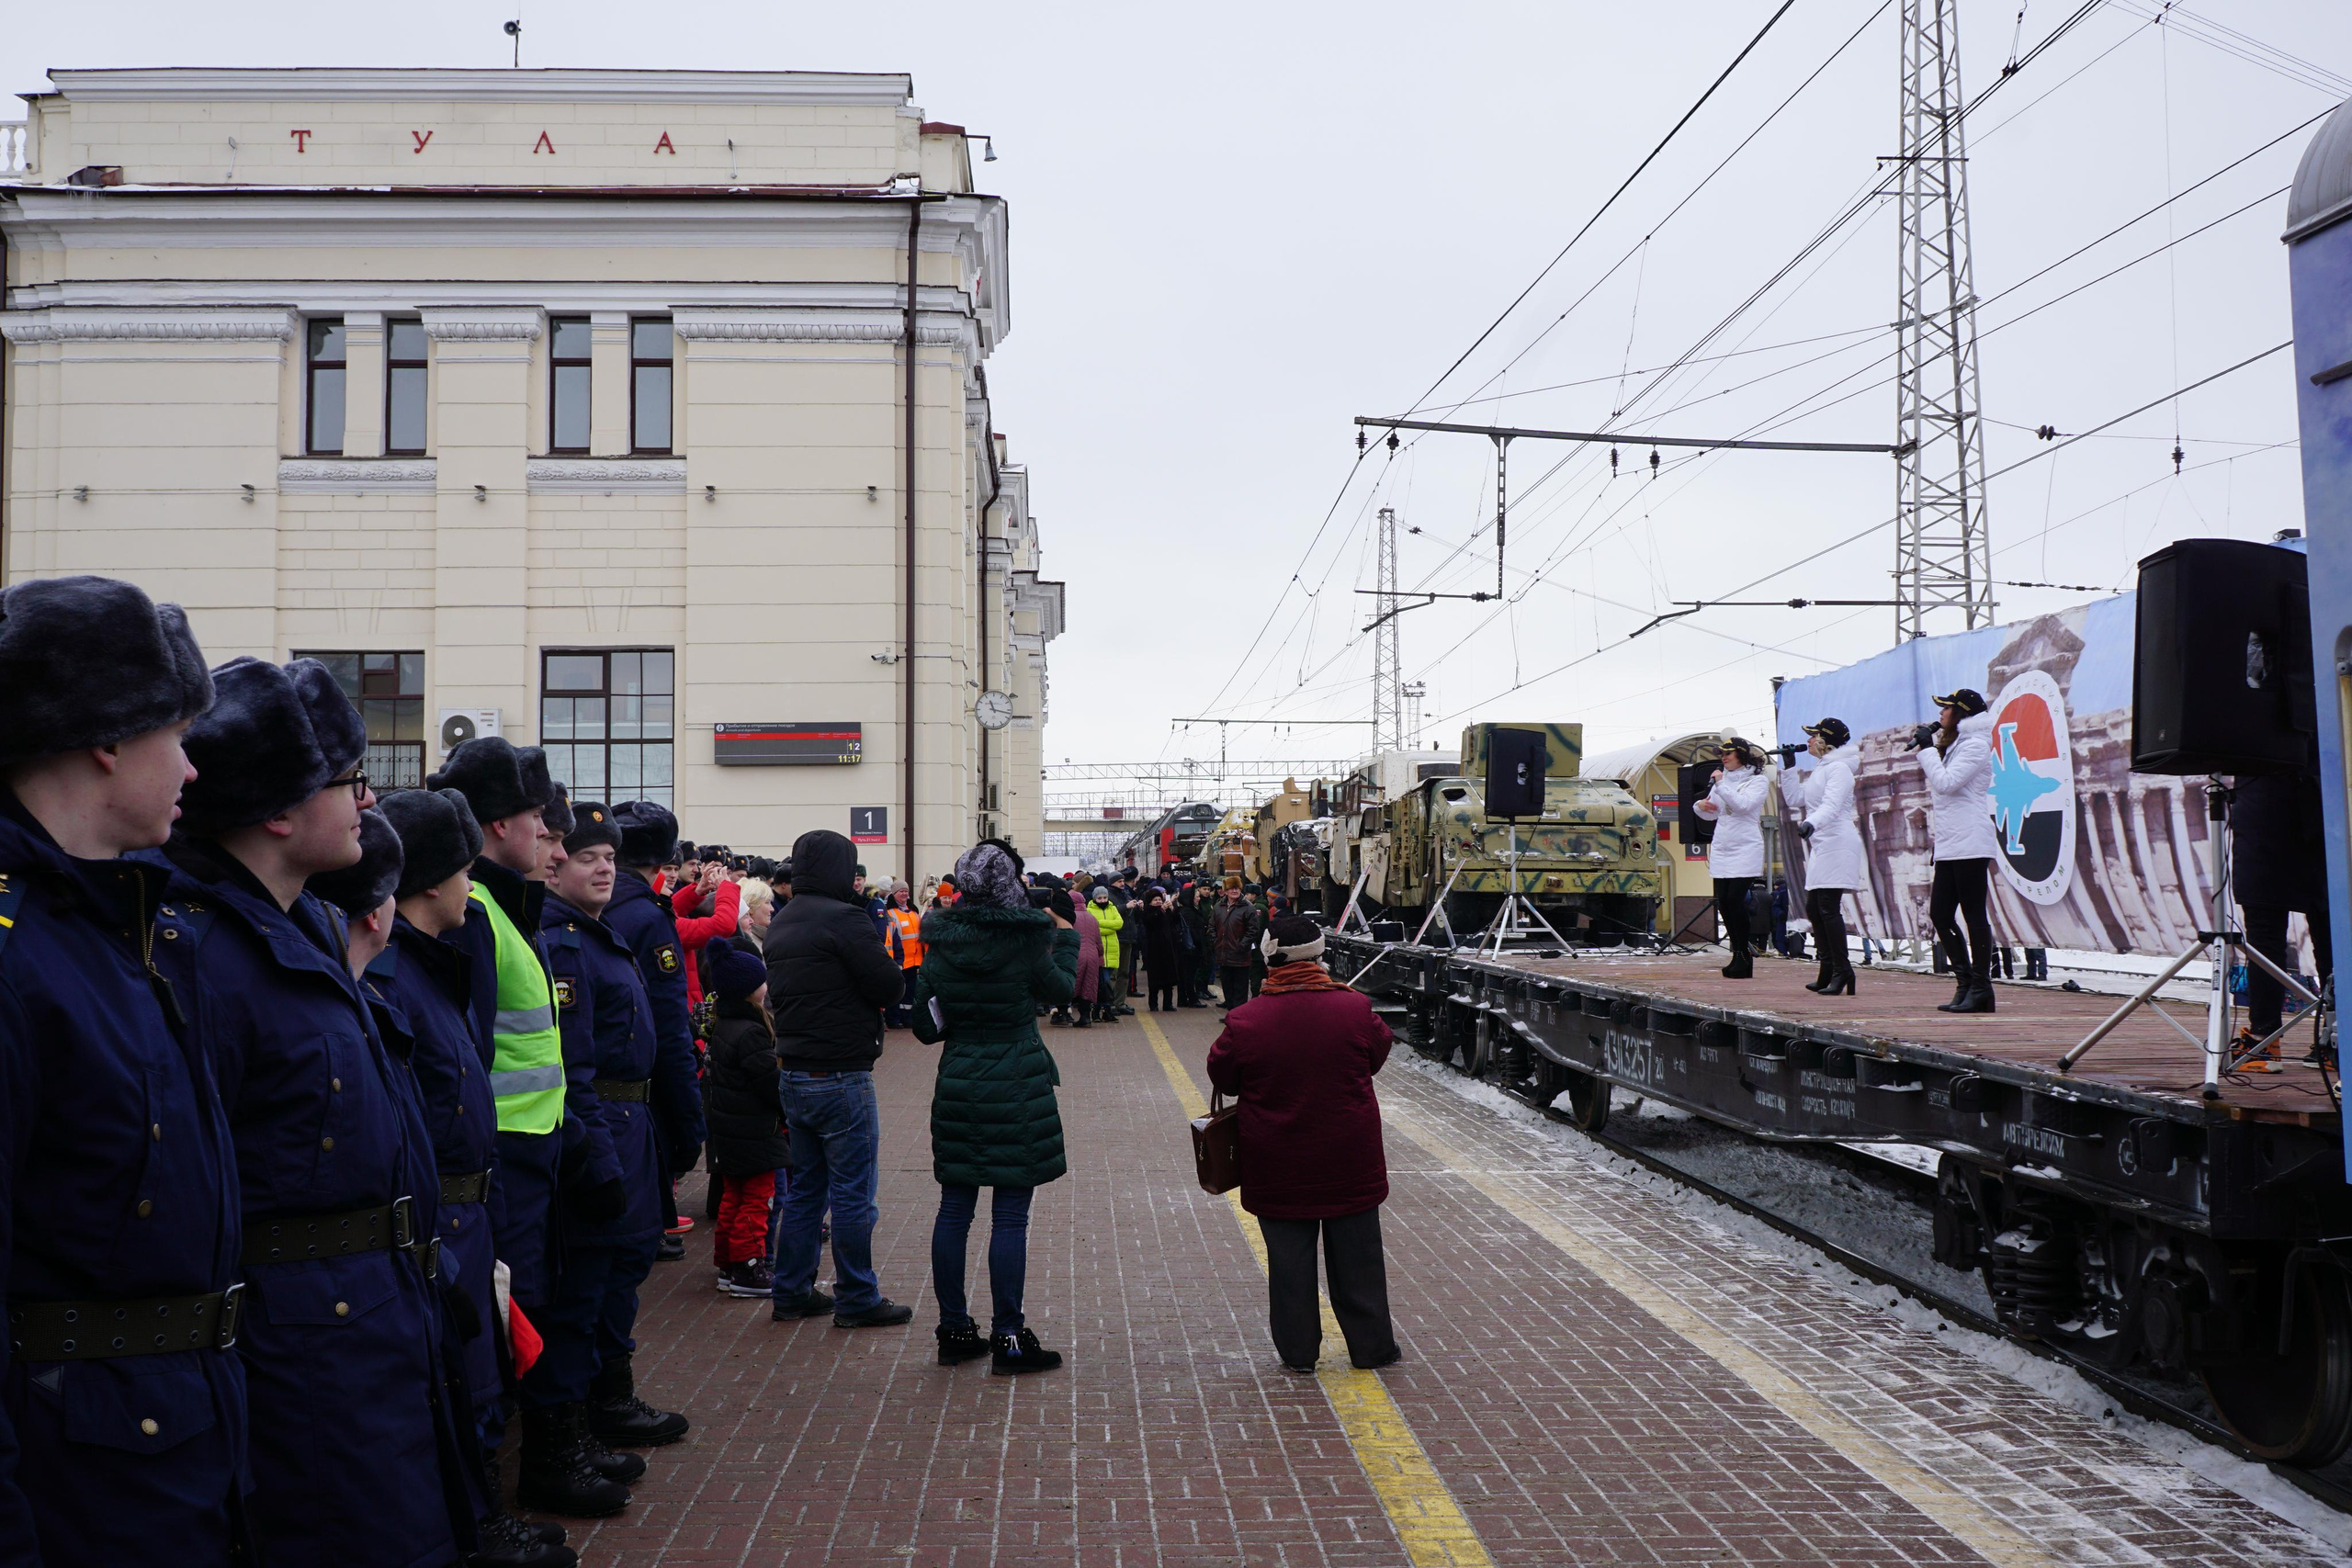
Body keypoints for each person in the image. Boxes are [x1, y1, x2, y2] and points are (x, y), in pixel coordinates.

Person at [150, 657, 472, 1566]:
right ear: (281, 812)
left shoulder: (293, 930)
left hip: (363, 1329)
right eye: (351, 782)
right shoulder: (205, 953)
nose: (369, 805)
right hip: (305, 1354)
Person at [0, 577, 251, 1565]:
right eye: (176, 735)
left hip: (169, 1455)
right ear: (108, 739)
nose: (192, 769)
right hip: (81, 1488)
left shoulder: (123, 929)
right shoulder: (23, 954)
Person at [368, 788, 575, 1565]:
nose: (472, 884)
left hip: (473, 1207)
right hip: (445, 1215)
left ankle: (485, 1518)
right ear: (429, 882)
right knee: (469, 1383)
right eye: (461, 871)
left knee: (484, 1373)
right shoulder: (397, 981)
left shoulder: (436, 966)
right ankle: (481, 1527)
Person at [532, 802, 690, 1483]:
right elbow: (575, 1063)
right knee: (586, 1286)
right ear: (556, 864)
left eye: (609, 858)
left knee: (618, 1275)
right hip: (602, 1126)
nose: (601, 868)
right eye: (587, 856)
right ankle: (569, 1433)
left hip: (630, 1126)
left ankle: (604, 1402)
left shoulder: (596, 934)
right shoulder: (564, 942)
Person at [911, 840, 1080, 1374]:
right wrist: (1069, 941)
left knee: (954, 1211)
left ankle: (954, 1329)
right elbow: (1063, 991)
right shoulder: (1025, 940)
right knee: (1009, 1217)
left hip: (959, 1083)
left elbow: (922, 1027)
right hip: (1016, 1084)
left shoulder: (939, 945)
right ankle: (1009, 1338)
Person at [1206, 916, 1400, 1376]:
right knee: (1359, 1259)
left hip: (1277, 1163)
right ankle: (1371, 1348)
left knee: (1289, 1264)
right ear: (1319, 956)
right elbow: (1377, 1054)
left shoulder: (1246, 1020)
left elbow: (1223, 1077)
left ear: (1269, 960)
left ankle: (1298, 1353)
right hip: (1348, 1159)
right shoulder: (1354, 1009)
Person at [763, 829, 916, 1328]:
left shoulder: (783, 922)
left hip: (793, 1074)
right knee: (853, 1194)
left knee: (806, 1191)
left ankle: (790, 1291)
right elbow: (889, 985)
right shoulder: (846, 919)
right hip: (841, 1075)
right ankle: (856, 1296)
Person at [604, 804, 708, 1267]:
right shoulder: (647, 918)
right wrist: (689, 1124)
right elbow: (667, 1029)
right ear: (660, 863)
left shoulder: (588, 905)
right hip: (632, 1106)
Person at [2232, 766, 2332, 1068]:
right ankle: (2333, 1039)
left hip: (2273, 801)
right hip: (2311, 794)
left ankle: (2265, 1041)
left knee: (2318, 930)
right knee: (2327, 929)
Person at [704, 942, 787, 1295]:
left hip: (729, 1132)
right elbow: (770, 1084)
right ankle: (750, 1266)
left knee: (732, 1197)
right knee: (757, 1200)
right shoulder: (751, 1032)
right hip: (754, 1131)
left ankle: (728, 1262)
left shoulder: (723, 1025)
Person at [1917, 688, 1999, 1014]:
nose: (1940, 714)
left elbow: (1946, 783)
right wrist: (1933, 748)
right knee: (1939, 913)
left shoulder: (1976, 745)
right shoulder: (1957, 745)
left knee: (1973, 913)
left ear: (1961, 713)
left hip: (1971, 840)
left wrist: (1926, 750)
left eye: (1946, 708)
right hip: (1952, 842)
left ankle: (1982, 988)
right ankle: (1965, 983)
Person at [1784, 718, 1862, 996]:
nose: (1807, 740)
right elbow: (1796, 798)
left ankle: (1843, 971)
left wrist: (1812, 822)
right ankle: (1828, 968)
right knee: (1815, 907)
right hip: (1822, 844)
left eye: (1812, 735)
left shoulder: (1840, 768)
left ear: (1825, 739)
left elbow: (1832, 805)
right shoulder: (1824, 767)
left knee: (1828, 907)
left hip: (1838, 842)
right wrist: (1789, 767)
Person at [1700, 739, 1770, 980]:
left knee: (1735, 899)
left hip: (1745, 846)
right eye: (1722, 754)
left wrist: (1720, 784)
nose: (1724, 757)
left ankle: (1744, 955)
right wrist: (1700, 806)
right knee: (1725, 902)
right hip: (1722, 846)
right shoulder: (1724, 780)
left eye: (1728, 753)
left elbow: (1742, 806)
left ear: (1741, 755)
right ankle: (1737, 953)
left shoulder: (1757, 780)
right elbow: (1712, 813)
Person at [1213, 875, 1263, 1009]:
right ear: (1225, 890)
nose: (1234, 891)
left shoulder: (1248, 907)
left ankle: (1239, 1016)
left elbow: (1253, 930)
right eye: (1231, 888)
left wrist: (1241, 945)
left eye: (1237, 888)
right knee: (1227, 988)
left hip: (1240, 956)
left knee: (1240, 989)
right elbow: (1212, 926)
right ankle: (1231, 1015)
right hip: (1224, 955)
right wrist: (1215, 942)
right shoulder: (1219, 906)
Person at [884, 880, 922, 1029]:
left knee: (910, 993)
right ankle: (894, 1019)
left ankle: (907, 1018)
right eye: (901, 891)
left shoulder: (914, 913)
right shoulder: (890, 914)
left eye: (906, 891)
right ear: (894, 894)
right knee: (897, 992)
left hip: (914, 961)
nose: (905, 894)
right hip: (899, 961)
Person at [1137, 886, 1183, 1012]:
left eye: (1159, 899)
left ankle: (1168, 1004)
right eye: (1155, 900)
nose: (1158, 902)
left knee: (1169, 978)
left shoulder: (1165, 910)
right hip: (1154, 950)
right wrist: (1162, 910)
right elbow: (1150, 921)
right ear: (1150, 901)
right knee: (1154, 980)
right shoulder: (1148, 911)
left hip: (1169, 949)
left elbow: (1175, 921)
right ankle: (1153, 1004)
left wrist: (1173, 909)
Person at [1086, 885, 1125, 1023]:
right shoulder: (1089, 910)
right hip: (1098, 950)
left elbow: (1119, 923)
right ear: (1094, 898)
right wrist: (1110, 926)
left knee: (1106, 982)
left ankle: (1101, 1010)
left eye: (1105, 897)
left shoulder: (1113, 907)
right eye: (1100, 898)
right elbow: (1093, 928)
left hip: (1112, 950)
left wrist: (1101, 924)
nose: (1103, 900)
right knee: (1102, 983)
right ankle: (1102, 1009)